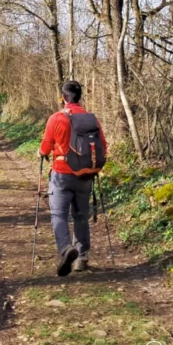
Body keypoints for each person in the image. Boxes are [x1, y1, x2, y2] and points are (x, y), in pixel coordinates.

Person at [38, 80, 108, 276]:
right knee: (81, 216)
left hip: (61, 174)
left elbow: (46, 146)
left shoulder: (56, 118)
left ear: (63, 98)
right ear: (80, 97)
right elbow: (103, 145)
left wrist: (40, 153)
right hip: (85, 174)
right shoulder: (91, 119)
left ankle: (66, 248)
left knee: (58, 215)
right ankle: (81, 258)